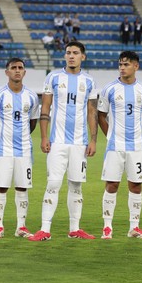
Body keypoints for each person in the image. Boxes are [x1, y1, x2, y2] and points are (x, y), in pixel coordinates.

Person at [29, 41, 98, 241]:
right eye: (68, 53)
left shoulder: (89, 81)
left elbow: (91, 112)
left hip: (79, 143)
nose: (71, 56)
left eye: (75, 53)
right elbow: (45, 109)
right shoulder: (53, 78)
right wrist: (44, 137)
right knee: (53, 183)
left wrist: (93, 140)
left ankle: (74, 229)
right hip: (57, 141)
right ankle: (45, 229)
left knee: (76, 185)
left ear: (82, 57)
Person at [97, 51, 142, 239]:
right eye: (120, 64)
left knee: (136, 185)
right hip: (115, 147)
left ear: (136, 66)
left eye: (126, 64)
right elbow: (101, 115)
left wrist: (134, 133)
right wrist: (110, 135)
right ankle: (107, 227)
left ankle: (134, 227)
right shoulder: (109, 89)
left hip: (136, 147)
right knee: (112, 185)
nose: (122, 67)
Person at [0, 58, 40, 239]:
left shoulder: (31, 96)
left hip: (24, 149)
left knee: (22, 188)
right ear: (6, 72)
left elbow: (33, 123)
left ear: (24, 72)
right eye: (13, 68)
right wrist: (0, 141)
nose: (17, 71)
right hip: (4, 150)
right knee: (1, 187)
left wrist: (22, 138)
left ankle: (21, 227)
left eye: (20, 68)